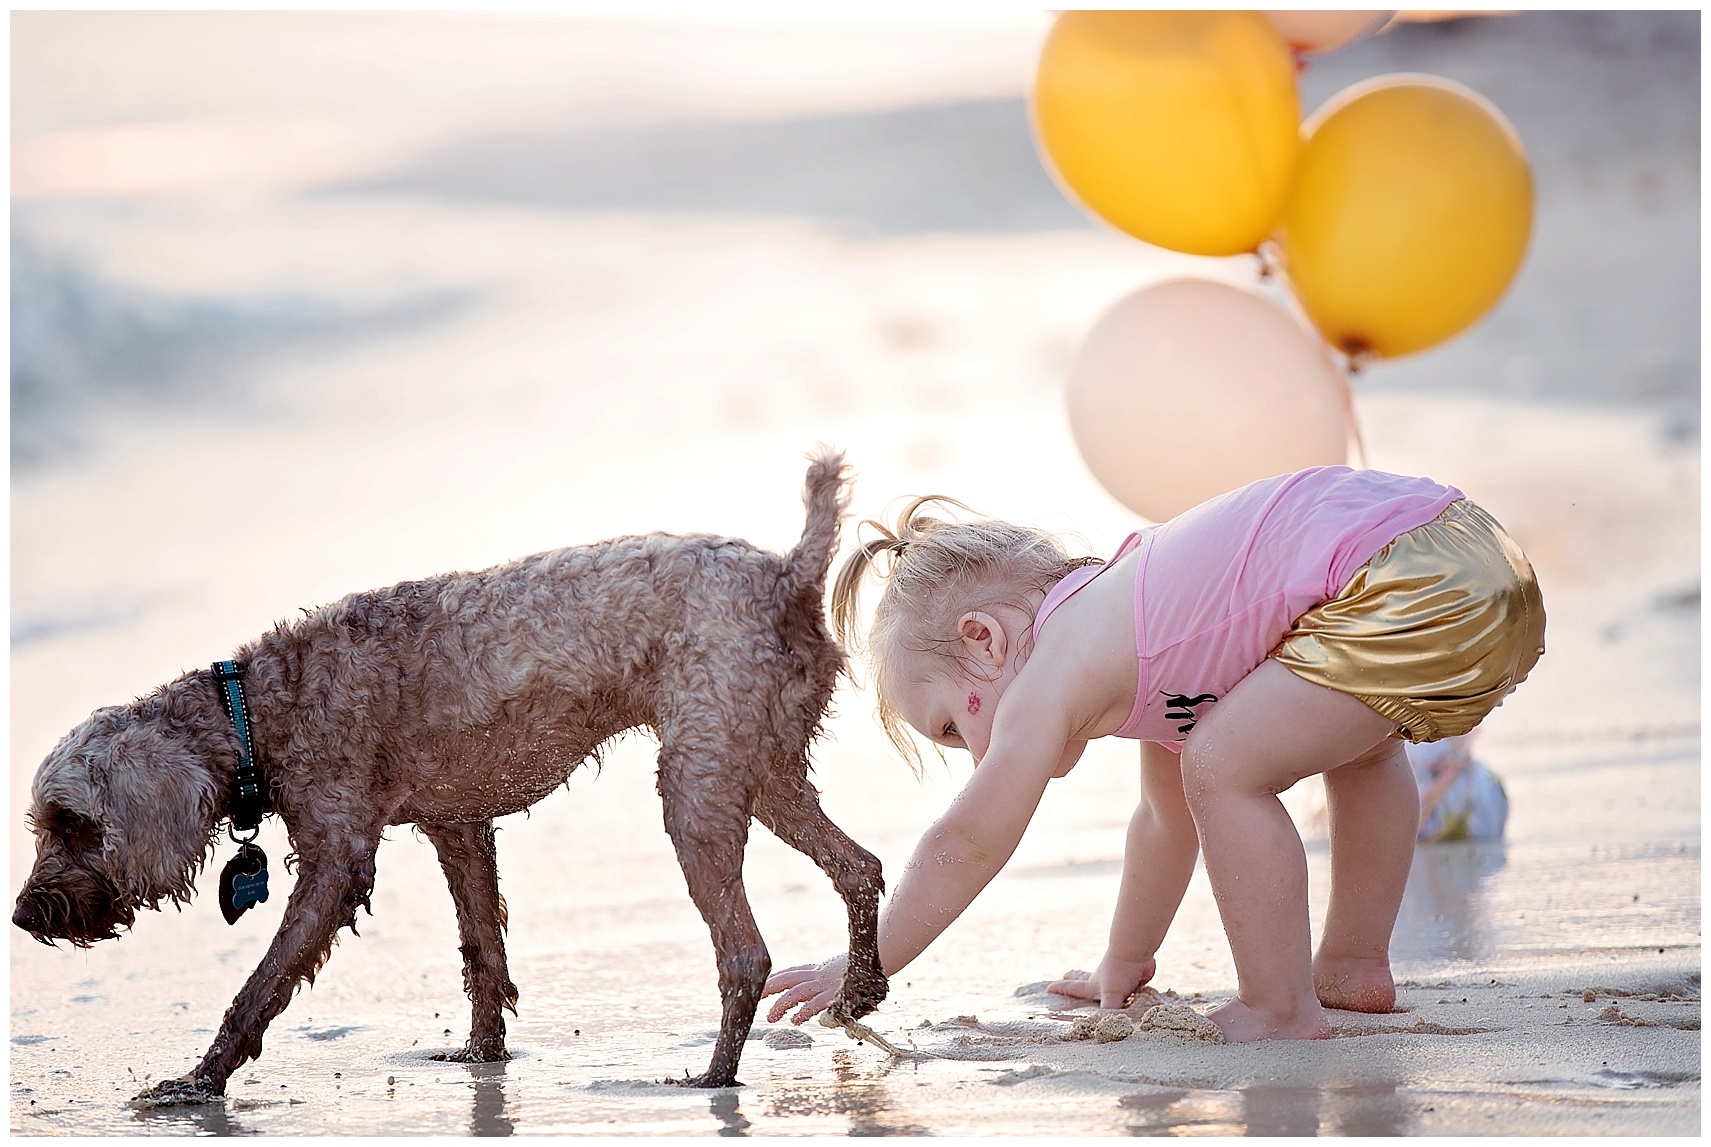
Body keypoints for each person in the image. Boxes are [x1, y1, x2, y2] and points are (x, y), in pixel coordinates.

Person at [761, 466, 1544, 1043]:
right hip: (1473, 558)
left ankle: (1278, 1005)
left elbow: (967, 840)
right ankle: (1351, 967)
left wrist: (865, 960)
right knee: (1361, 750)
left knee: (1222, 767)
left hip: (1403, 578)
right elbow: (1163, 824)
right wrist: (1123, 960)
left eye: (951, 729)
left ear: (983, 639)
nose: (976, 759)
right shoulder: (1148, 641)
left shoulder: (1055, 665)